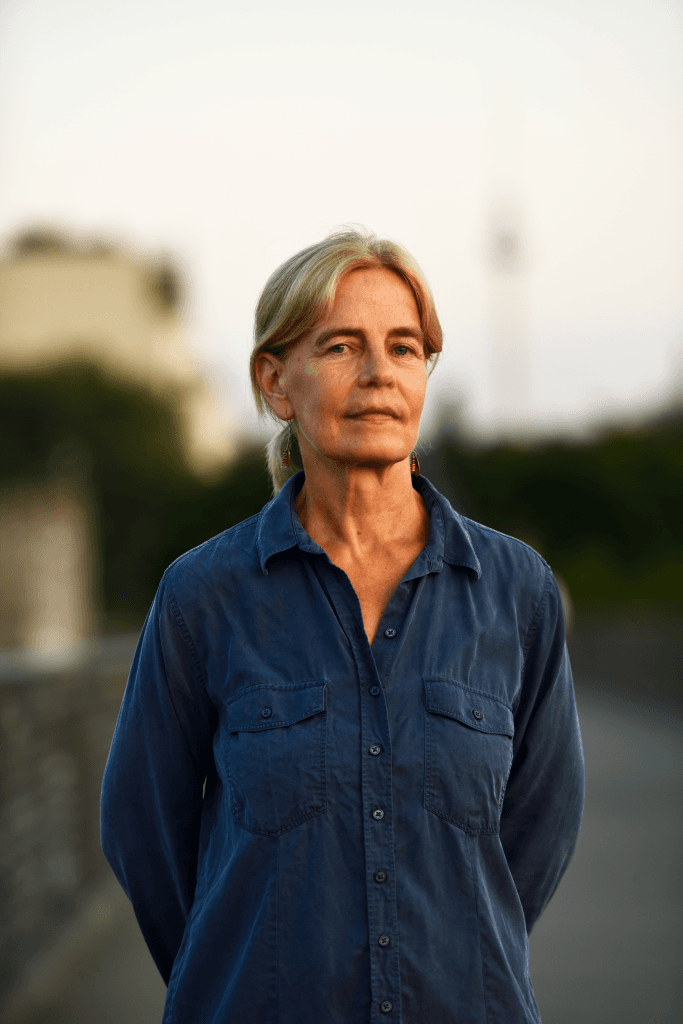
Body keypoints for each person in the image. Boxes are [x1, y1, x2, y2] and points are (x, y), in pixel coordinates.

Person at [100, 229, 584, 1024]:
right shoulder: (202, 595)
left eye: (403, 347)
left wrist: (457, 951)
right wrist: (235, 968)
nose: (376, 375)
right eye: (340, 346)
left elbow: (541, 825)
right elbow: (140, 827)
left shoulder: (513, 589)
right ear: (276, 382)